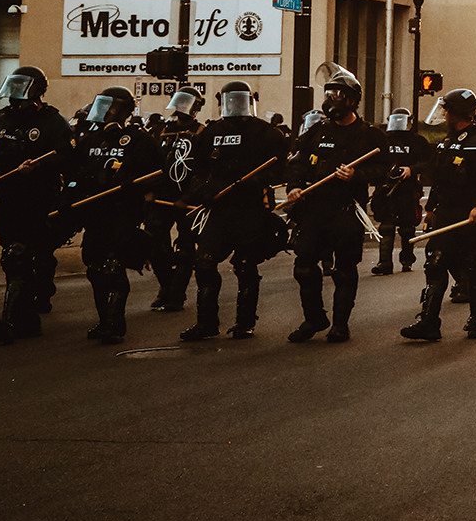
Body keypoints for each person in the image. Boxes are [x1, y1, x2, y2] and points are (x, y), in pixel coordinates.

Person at [178, 80, 290, 341]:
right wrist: (202, 190)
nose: (236, 105)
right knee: (204, 262)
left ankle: (245, 322)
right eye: (231, 100)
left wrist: (255, 181)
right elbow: (197, 169)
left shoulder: (266, 133)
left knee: (245, 264)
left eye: (241, 100)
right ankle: (206, 322)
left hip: (251, 208)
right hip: (220, 209)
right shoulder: (211, 132)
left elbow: (279, 169)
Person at [281, 68, 386, 343]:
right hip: (315, 209)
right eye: (329, 94)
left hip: (346, 210)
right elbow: (297, 161)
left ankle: (340, 325)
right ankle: (314, 318)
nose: (332, 100)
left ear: (353, 100)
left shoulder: (369, 135)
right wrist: (294, 186)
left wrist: (357, 175)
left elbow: (384, 170)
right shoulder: (317, 130)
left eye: (339, 95)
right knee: (304, 266)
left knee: (345, 270)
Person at [0, 66, 75, 344]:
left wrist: (39, 166)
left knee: (20, 255)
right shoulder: (1, 121)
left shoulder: (52, 122)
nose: (15, 95)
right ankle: (28, 318)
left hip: (38, 199)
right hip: (7, 198)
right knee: (11, 256)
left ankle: (11, 319)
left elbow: (68, 157)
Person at [402, 88, 476, 341]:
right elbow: (439, 180)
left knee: (472, 265)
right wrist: (431, 208)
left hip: (470, 214)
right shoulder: (447, 142)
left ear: (458, 112)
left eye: (447, 110)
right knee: (435, 262)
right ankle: (429, 322)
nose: (445, 115)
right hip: (447, 212)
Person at [60, 87, 164, 343]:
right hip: (95, 211)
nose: (105, 111)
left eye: (111, 106)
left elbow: (158, 173)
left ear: (123, 110)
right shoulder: (91, 140)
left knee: (113, 266)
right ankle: (104, 320)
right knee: (95, 268)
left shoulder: (139, 140)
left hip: (122, 211)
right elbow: (74, 171)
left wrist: (135, 183)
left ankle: (115, 324)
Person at [144, 87, 203, 314]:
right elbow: (152, 164)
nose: (181, 109)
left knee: (186, 249)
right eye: (179, 103)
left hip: (188, 199)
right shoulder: (162, 131)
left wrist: (189, 197)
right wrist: (150, 191)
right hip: (162, 197)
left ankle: (176, 294)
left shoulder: (202, 133)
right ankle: (166, 286)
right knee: (154, 244)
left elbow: (204, 170)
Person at [371, 109, 431, 275]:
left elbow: (428, 161)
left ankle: (407, 260)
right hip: (386, 188)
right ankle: (384, 262)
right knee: (386, 226)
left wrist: (412, 169)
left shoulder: (417, 141)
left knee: (407, 227)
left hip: (408, 189)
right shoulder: (384, 139)